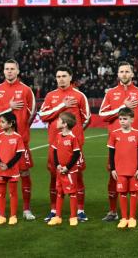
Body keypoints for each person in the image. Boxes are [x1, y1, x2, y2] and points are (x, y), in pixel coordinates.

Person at [99, 62, 138, 223]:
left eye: (127, 71)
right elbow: (103, 115)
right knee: (113, 176)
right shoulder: (111, 93)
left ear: (132, 74)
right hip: (117, 146)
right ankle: (113, 211)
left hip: (135, 145)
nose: (124, 74)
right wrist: (123, 106)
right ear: (117, 74)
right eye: (121, 71)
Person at [0, 59, 37, 222]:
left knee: (24, 173)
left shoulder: (26, 90)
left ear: (18, 71)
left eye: (12, 69)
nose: (9, 71)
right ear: (3, 71)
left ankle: (26, 209)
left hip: (20, 142)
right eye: (6, 69)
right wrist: (9, 107)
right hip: (0, 143)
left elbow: (32, 113)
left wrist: (20, 131)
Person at [36, 66, 90, 222]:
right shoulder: (51, 96)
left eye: (64, 76)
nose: (61, 79)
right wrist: (61, 106)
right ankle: (54, 210)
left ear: (70, 77)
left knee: (77, 177)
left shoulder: (79, 96)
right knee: (54, 178)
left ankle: (80, 210)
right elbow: (43, 116)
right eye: (58, 76)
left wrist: (76, 134)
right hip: (55, 146)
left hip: (74, 146)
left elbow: (86, 118)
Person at [107, 107, 138, 229]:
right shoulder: (114, 134)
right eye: (120, 119)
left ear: (132, 120)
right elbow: (111, 153)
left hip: (134, 170)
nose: (122, 121)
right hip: (120, 170)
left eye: (125, 119)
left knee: (133, 193)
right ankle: (124, 218)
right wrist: (113, 169)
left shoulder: (137, 134)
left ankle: (132, 218)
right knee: (122, 193)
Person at [47, 112, 83, 227]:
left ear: (65, 124)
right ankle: (58, 216)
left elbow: (76, 154)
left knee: (72, 193)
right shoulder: (58, 136)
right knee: (59, 192)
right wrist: (57, 165)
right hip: (60, 170)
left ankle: (73, 216)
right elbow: (55, 151)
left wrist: (67, 168)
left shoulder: (72, 138)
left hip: (70, 171)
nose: (56, 122)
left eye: (59, 120)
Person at [0, 112, 25, 226]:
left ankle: (13, 216)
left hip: (12, 170)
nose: (0, 124)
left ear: (11, 124)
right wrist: (0, 164)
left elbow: (18, 155)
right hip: (0, 169)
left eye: (3, 122)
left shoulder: (18, 137)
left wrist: (8, 165)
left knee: (13, 193)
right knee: (1, 193)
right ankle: (1, 216)